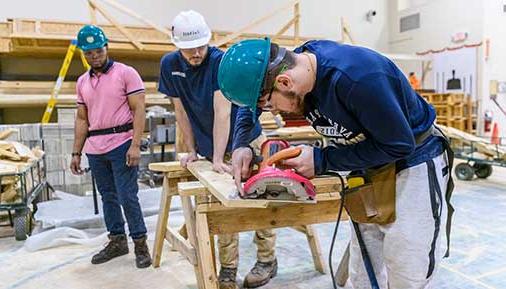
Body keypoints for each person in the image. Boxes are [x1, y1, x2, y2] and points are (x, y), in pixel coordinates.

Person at [218, 38, 454, 289]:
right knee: (363, 270)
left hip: (412, 160)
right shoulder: (288, 67)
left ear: (284, 82)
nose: (273, 113)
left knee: (408, 268)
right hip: (366, 160)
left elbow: (398, 144)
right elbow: (250, 107)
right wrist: (241, 143)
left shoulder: (357, 78)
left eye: (271, 106)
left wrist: (322, 159)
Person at [158, 11, 277, 289]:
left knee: (263, 195)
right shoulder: (169, 65)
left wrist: (216, 157)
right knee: (225, 207)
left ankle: (266, 259)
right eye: (190, 48)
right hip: (213, 145)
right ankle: (228, 268)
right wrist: (192, 151)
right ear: (177, 46)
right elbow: (181, 111)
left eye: (201, 46)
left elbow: (222, 112)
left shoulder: (219, 60)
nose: (197, 53)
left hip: (246, 138)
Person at [70, 25, 152, 268]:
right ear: (83, 54)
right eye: (88, 53)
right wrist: (76, 151)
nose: (94, 56)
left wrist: (135, 145)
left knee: (127, 196)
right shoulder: (82, 82)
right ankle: (117, 241)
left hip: (122, 143)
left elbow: (139, 110)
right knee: (108, 197)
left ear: (106, 47)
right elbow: (82, 119)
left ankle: (140, 243)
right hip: (95, 148)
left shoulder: (126, 73)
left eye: (97, 51)